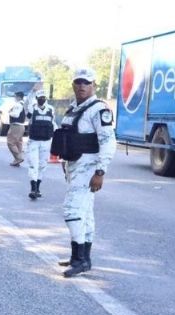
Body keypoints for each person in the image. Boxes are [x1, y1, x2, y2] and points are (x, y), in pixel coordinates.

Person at [54, 67, 116, 277]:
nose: (81, 86)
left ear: (93, 85)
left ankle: (80, 258)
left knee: (72, 210)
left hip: (89, 167)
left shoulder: (98, 109)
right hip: (75, 165)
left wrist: (100, 171)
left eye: (86, 82)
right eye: (78, 82)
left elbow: (108, 142)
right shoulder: (75, 108)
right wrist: (65, 161)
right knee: (86, 213)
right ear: (73, 84)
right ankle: (82, 258)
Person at [25, 89, 55, 199]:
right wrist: (31, 95)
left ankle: (38, 187)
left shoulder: (51, 109)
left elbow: (53, 123)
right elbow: (27, 115)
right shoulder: (32, 108)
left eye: (43, 97)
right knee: (33, 164)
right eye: (40, 98)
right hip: (34, 141)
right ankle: (33, 188)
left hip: (46, 141)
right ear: (37, 99)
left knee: (42, 165)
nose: (42, 99)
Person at [6, 91, 27, 166]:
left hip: (16, 126)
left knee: (10, 143)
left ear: (18, 97)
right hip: (21, 126)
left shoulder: (18, 105)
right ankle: (16, 160)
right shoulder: (24, 104)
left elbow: (15, 115)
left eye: (15, 96)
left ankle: (18, 157)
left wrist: (9, 112)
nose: (14, 98)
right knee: (18, 143)